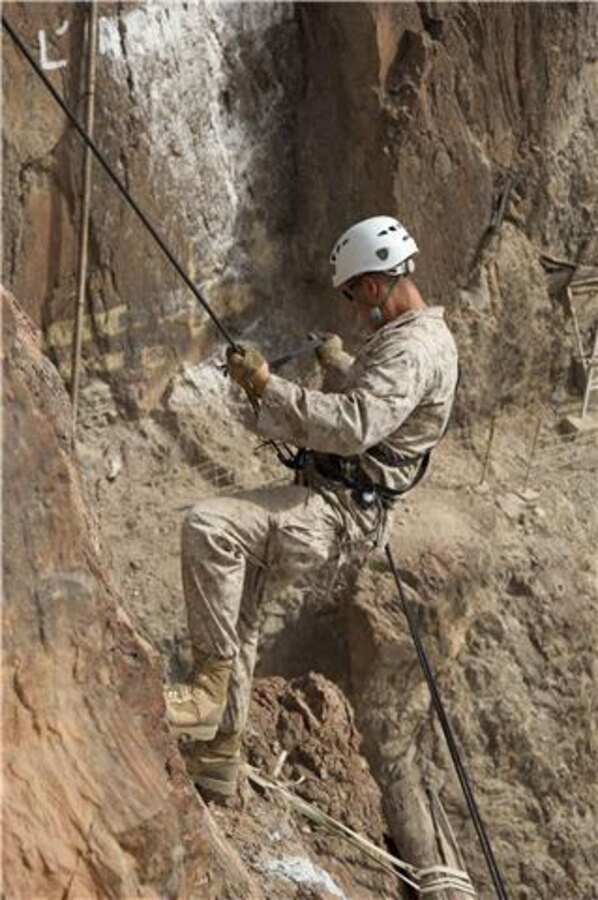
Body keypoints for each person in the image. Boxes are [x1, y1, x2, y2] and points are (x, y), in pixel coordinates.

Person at [165, 215, 459, 798]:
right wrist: (338, 365)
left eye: (353, 296)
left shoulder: (413, 349)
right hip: (336, 499)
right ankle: (219, 757)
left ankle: (204, 705)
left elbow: (355, 425)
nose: (353, 309)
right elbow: (380, 404)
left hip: (338, 512)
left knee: (211, 529)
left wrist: (268, 387)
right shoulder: (408, 341)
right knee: (239, 608)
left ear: (373, 287)